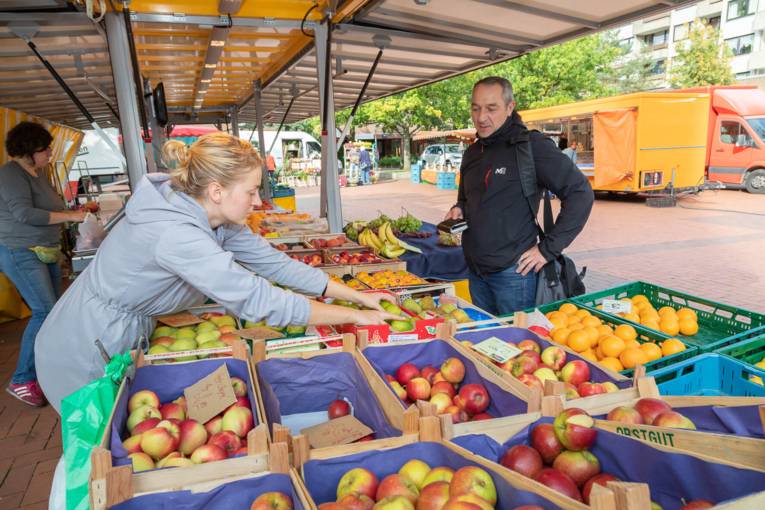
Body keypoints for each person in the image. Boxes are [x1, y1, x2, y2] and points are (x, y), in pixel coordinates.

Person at [35, 132, 401, 414]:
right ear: (216, 191)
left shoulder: (213, 219)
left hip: (121, 330)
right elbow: (259, 299)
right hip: (87, 343)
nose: (258, 202)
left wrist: (357, 295)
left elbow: (274, 264)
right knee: (98, 446)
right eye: (252, 191)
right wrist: (355, 316)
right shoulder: (176, 233)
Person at [443, 77, 593, 316]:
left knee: (516, 347)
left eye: (491, 108)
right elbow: (466, 198)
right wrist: (460, 208)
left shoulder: (531, 146)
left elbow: (580, 193)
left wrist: (547, 250)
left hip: (514, 275)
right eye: (475, 108)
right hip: (476, 272)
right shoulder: (473, 152)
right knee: (486, 344)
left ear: (510, 107)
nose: (481, 117)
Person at [0, 121, 86, 406]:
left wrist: (72, 212)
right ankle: (22, 379)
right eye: (45, 148)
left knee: (51, 311)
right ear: (27, 149)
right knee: (44, 311)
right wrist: (70, 218)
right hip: (21, 250)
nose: (50, 152)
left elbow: (49, 207)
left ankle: (44, 369)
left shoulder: (37, 173)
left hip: (44, 249)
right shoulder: (11, 175)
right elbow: (24, 214)